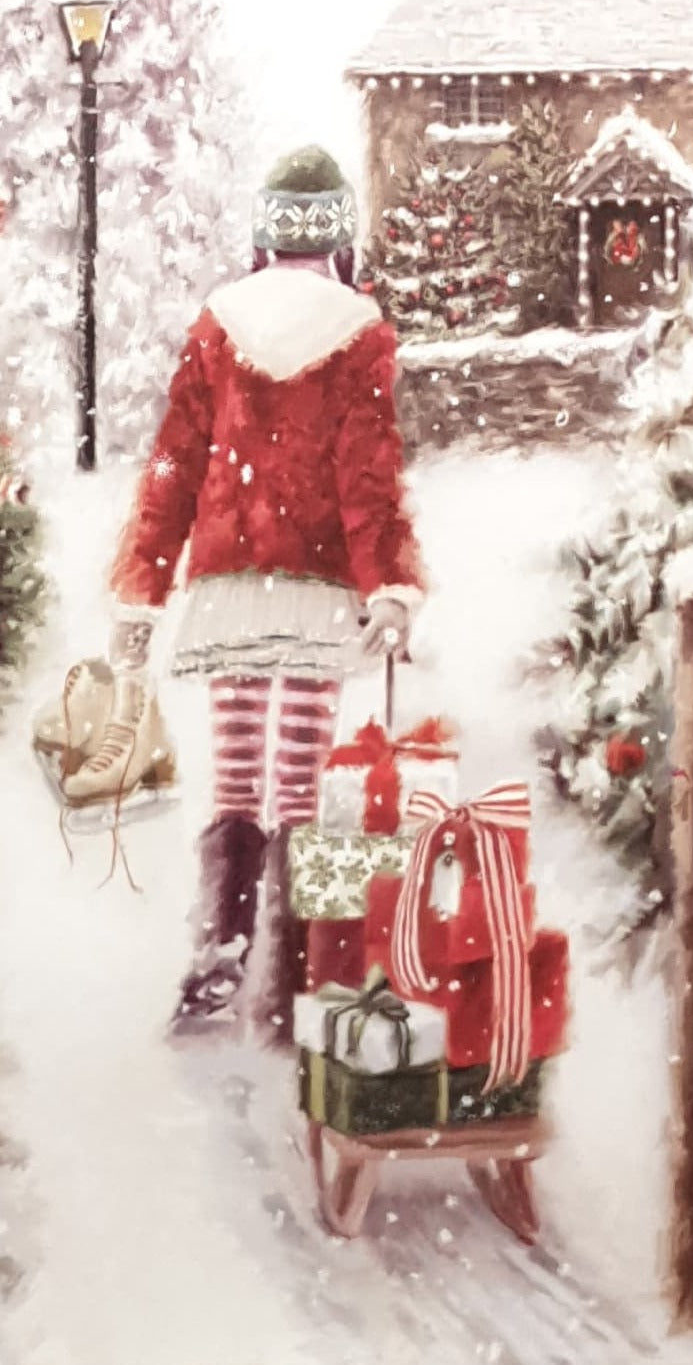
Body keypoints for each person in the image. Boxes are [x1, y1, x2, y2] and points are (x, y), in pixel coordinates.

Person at [80, 146, 426, 1037]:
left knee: (236, 772)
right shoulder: (359, 332)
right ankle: (298, 976)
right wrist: (387, 582)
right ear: (337, 238)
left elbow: (173, 466)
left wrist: (140, 592)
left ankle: (221, 951)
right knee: (301, 780)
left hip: (230, 581)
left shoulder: (217, 326)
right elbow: (369, 474)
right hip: (315, 582)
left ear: (265, 237)